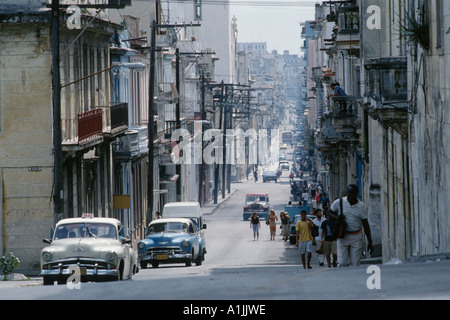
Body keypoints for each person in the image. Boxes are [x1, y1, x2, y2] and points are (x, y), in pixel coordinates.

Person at [328, 184, 373, 267]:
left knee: (355, 263)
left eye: (353, 194)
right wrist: (337, 218)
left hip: (356, 237)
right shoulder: (339, 202)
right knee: (342, 262)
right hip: (342, 236)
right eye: (349, 193)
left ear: (357, 194)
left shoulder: (361, 206)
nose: (351, 196)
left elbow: (365, 224)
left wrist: (370, 242)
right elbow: (328, 212)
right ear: (347, 193)